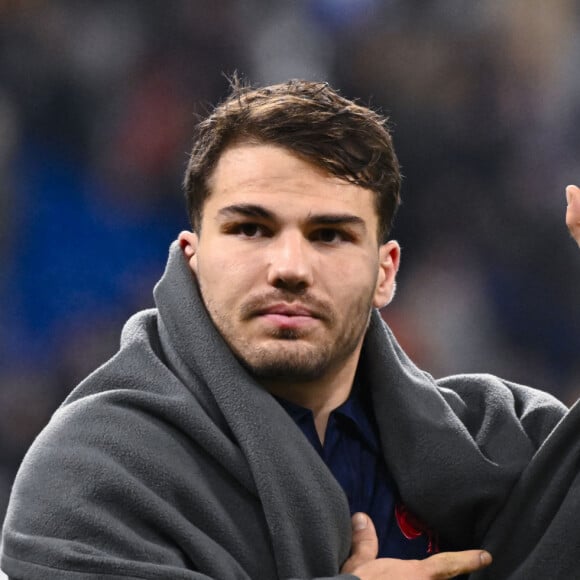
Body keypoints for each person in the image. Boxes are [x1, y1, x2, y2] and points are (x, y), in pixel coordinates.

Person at [1, 79, 579, 580]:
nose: (290, 269)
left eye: (330, 234)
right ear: (192, 255)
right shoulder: (96, 468)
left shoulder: (504, 442)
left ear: (386, 271)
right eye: (251, 229)